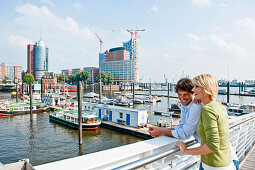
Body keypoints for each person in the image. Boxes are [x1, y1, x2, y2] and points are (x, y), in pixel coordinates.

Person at [175, 74, 236, 169]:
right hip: (220, 161)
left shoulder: (207, 110)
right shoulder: (219, 106)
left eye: (196, 87)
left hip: (215, 165)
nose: (193, 90)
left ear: (207, 89)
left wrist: (186, 151)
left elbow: (213, 145)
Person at [148, 78, 202, 142]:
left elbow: (185, 134)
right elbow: (181, 126)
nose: (182, 98)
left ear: (193, 93)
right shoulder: (184, 105)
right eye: (179, 94)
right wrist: (161, 129)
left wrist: (161, 131)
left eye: (185, 94)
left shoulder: (196, 105)